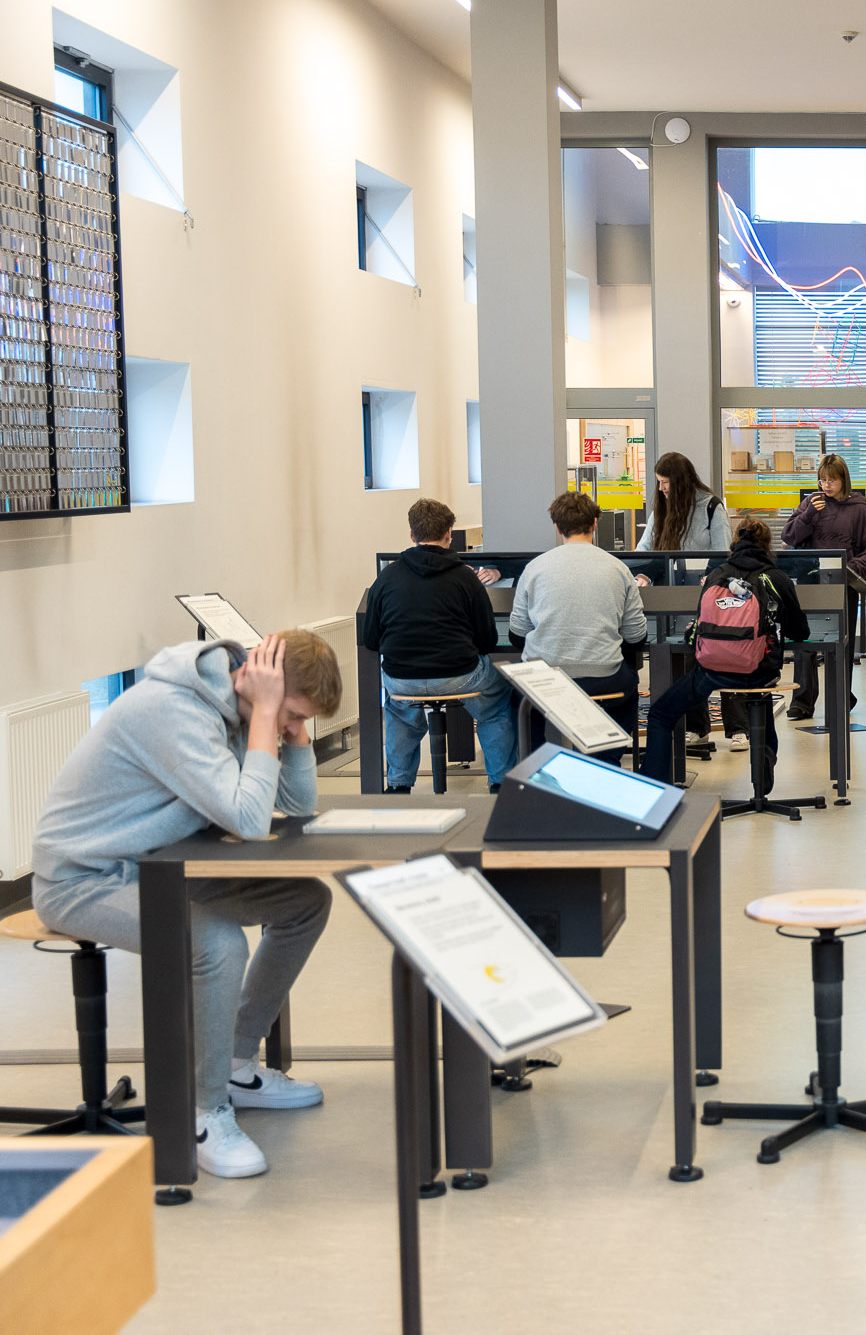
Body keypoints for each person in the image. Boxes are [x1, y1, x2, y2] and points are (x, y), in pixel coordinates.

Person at [32, 632, 343, 1179]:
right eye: (294, 715)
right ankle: (204, 1111)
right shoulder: (173, 710)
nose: (294, 727)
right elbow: (249, 821)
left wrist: (288, 731)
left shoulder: (238, 709)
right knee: (217, 944)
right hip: (83, 878)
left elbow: (296, 806)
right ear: (257, 686)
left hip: (159, 865)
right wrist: (267, 715)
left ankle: (236, 1064)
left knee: (305, 901)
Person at [362, 498, 520, 793]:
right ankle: (501, 783)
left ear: (412, 534)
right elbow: (486, 640)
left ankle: (398, 785)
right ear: (449, 533)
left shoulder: (387, 577)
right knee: (496, 701)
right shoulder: (466, 578)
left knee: (400, 710)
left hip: (401, 678)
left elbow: (371, 639)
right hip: (459, 675)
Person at [643, 516, 809, 787]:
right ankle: (763, 774)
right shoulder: (776, 578)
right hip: (758, 672)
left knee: (661, 715)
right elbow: (800, 631)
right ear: (767, 546)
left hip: (713, 672)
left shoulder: (717, 575)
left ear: (734, 542)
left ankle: (653, 787)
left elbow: (698, 628)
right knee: (761, 694)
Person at [510, 491, 647, 765]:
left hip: (546, 679)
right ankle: (605, 760)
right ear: (595, 523)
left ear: (557, 527)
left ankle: (539, 765)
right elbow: (636, 636)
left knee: (519, 699)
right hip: (604, 677)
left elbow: (517, 634)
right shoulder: (618, 569)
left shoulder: (534, 568)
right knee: (628, 685)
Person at [781, 453, 866, 722]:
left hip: (842, 585)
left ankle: (840, 698)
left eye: (832, 480)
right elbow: (788, 536)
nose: (826, 485)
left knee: (841, 644)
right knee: (804, 642)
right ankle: (802, 702)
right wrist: (809, 515)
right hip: (809, 583)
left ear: (843, 480)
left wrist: (849, 568)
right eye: (822, 480)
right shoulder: (809, 504)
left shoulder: (858, 509)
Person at [637, 451, 728, 553]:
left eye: (665, 482)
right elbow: (643, 548)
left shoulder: (712, 508)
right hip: (666, 564)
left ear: (680, 482)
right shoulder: (662, 508)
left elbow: (723, 552)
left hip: (703, 564)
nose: (661, 488)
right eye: (659, 481)